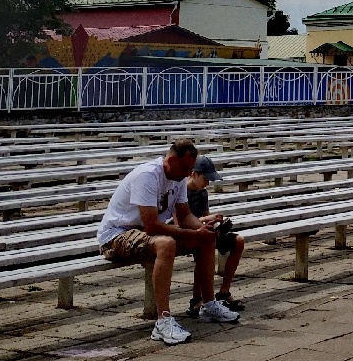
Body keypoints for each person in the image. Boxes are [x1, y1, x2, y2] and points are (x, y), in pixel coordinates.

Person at [96, 139, 240, 346]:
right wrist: (192, 233)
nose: (187, 173)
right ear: (171, 160)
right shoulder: (148, 175)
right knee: (166, 244)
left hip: (145, 233)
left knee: (206, 239)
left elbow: (185, 215)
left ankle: (208, 305)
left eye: (190, 169)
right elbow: (152, 226)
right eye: (184, 168)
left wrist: (202, 230)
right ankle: (163, 321)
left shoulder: (179, 177)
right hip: (116, 236)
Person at [185, 156, 246, 318]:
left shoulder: (202, 193)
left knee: (238, 241)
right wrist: (208, 220)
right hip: (190, 233)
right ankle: (197, 299)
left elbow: (204, 215)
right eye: (205, 179)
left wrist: (215, 220)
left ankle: (224, 292)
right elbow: (184, 219)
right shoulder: (182, 193)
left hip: (204, 231)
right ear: (194, 174)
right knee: (205, 248)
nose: (207, 183)